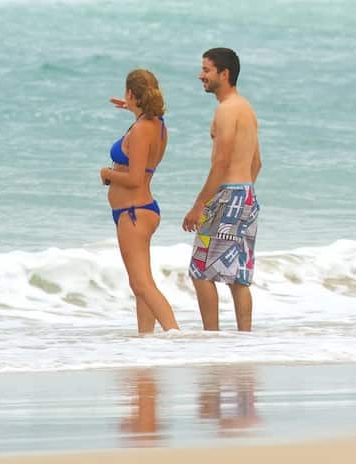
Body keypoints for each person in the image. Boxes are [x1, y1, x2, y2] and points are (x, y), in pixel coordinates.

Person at [182, 48, 263, 332]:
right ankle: (244, 340)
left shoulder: (226, 110)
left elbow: (221, 163)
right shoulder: (247, 109)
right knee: (239, 277)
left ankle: (211, 339)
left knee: (200, 271)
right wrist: (243, 193)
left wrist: (199, 206)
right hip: (246, 193)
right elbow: (257, 162)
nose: (201, 75)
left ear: (224, 74)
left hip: (228, 194)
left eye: (206, 70)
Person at [100, 68, 180, 334]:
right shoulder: (155, 123)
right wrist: (133, 109)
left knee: (142, 284)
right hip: (140, 210)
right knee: (142, 285)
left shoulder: (142, 130)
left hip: (133, 211)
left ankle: (176, 335)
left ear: (131, 93)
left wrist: (108, 174)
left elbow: (134, 178)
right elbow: (149, 121)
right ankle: (146, 341)